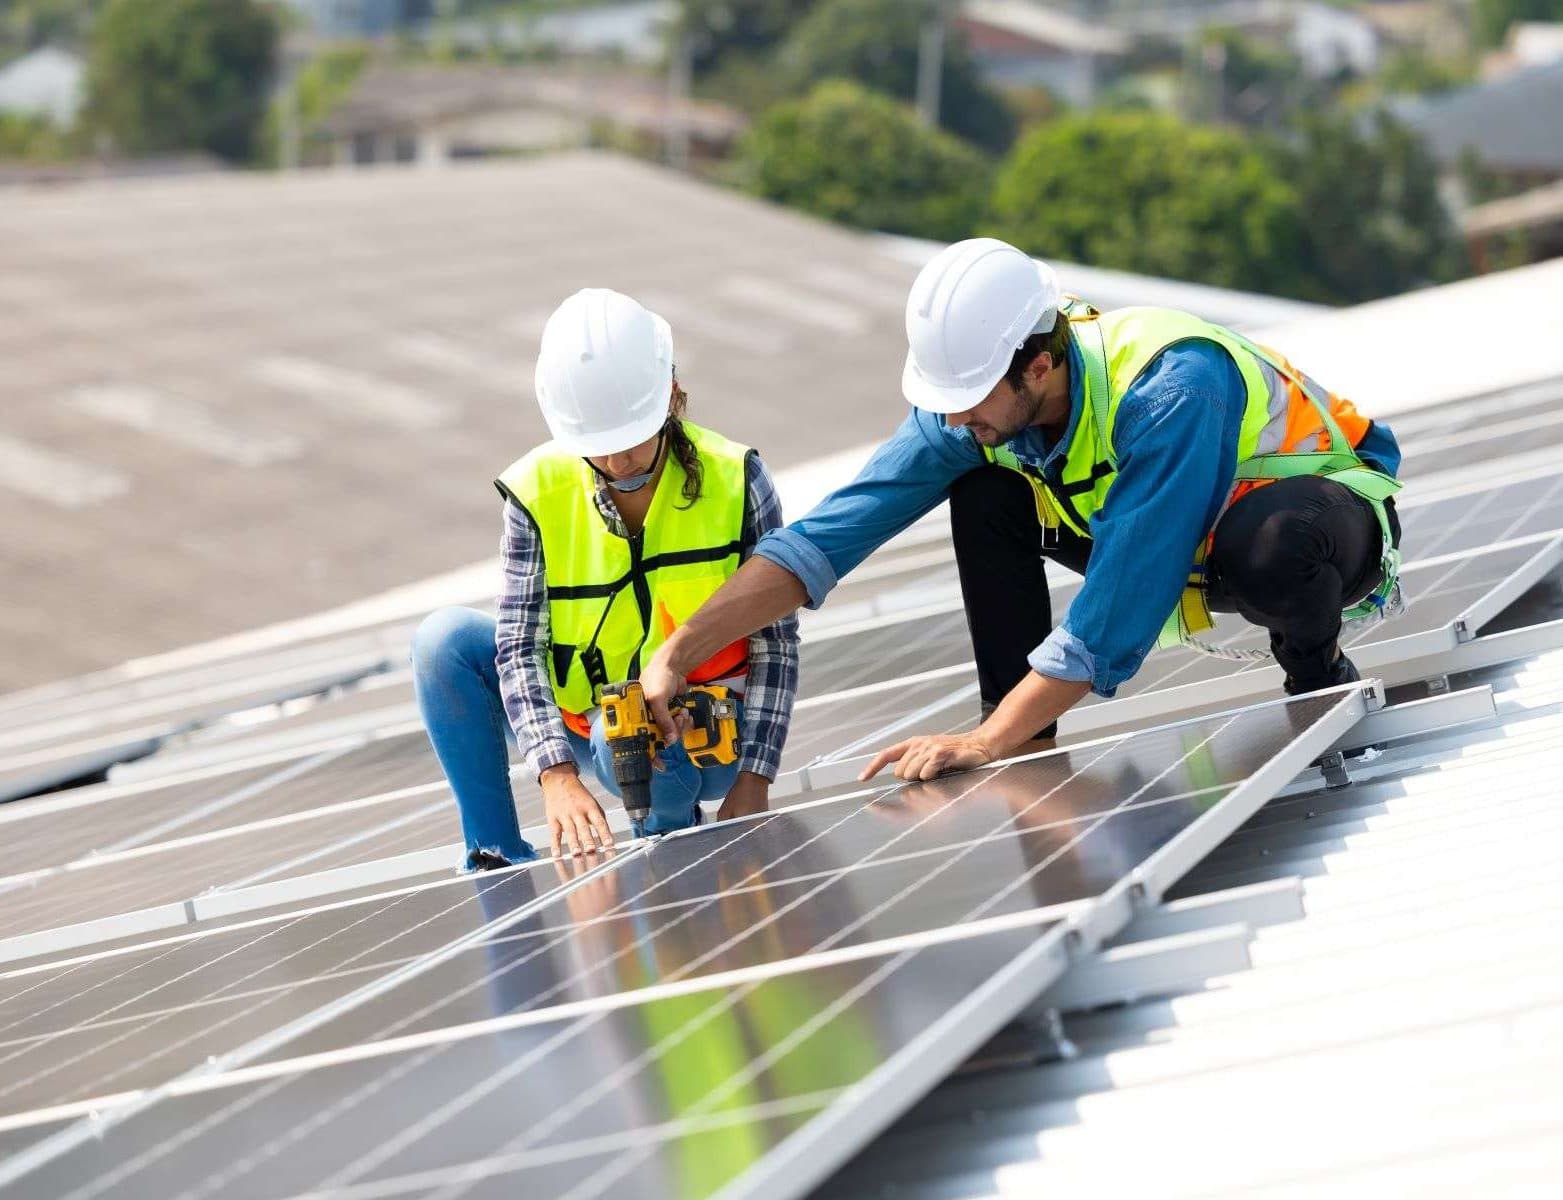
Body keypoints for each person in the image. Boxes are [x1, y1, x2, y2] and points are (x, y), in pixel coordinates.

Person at [638, 238, 1401, 783]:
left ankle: (1316, 674)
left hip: (1321, 528)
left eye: (965, 401)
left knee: (1274, 545)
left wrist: (980, 743)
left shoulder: (1172, 388)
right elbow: (823, 541)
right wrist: (677, 653)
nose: (953, 418)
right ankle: (1026, 733)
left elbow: (1115, 611)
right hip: (1184, 550)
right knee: (983, 490)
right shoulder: (979, 402)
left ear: (1038, 365)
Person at [412, 288, 798, 865]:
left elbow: (776, 642)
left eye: (631, 441)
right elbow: (518, 647)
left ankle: (669, 850)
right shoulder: (537, 492)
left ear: (669, 394)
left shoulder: (736, 478)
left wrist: (756, 777)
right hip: (590, 725)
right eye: (598, 448)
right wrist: (555, 773)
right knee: (444, 642)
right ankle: (494, 857)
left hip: (714, 733)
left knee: (624, 733)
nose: (617, 463)